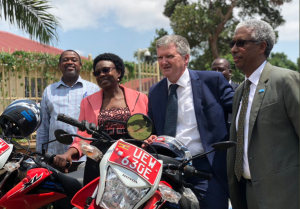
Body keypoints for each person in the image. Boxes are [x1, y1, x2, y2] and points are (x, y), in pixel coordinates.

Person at [147, 35, 234, 209]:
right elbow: (153, 129)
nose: (164, 62)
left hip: (206, 167)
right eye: (160, 57)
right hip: (168, 169)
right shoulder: (155, 91)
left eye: (170, 56)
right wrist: (150, 138)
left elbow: (240, 113)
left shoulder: (212, 81)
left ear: (186, 58)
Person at [227, 19, 299, 209]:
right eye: (232, 43)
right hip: (249, 194)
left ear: (262, 47)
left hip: (287, 196)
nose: (233, 49)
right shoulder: (239, 91)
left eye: (241, 43)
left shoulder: (285, 80)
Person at [54, 53, 148, 185]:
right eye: (97, 73)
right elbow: (82, 135)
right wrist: (69, 153)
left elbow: (148, 129)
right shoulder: (87, 102)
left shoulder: (140, 98)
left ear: (119, 72)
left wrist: (150, 138)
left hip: (133, 161)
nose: (101, 75)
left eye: (106, 70)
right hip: (99, 162)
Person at [36, 50, 100, 156]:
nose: (70, 62)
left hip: (85, 157)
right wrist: (39, 154)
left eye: (74, 60)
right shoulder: (49, 90)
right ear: (59, 66)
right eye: (65, 60)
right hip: (55, 156)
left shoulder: (93, 89)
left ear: (80, 65)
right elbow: (43, 126)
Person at [212, 58, 239, 126]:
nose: (217, 73)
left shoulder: (239, 91)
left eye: (221, 70)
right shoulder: (207, 93)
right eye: (214, 70)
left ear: (230, 72)